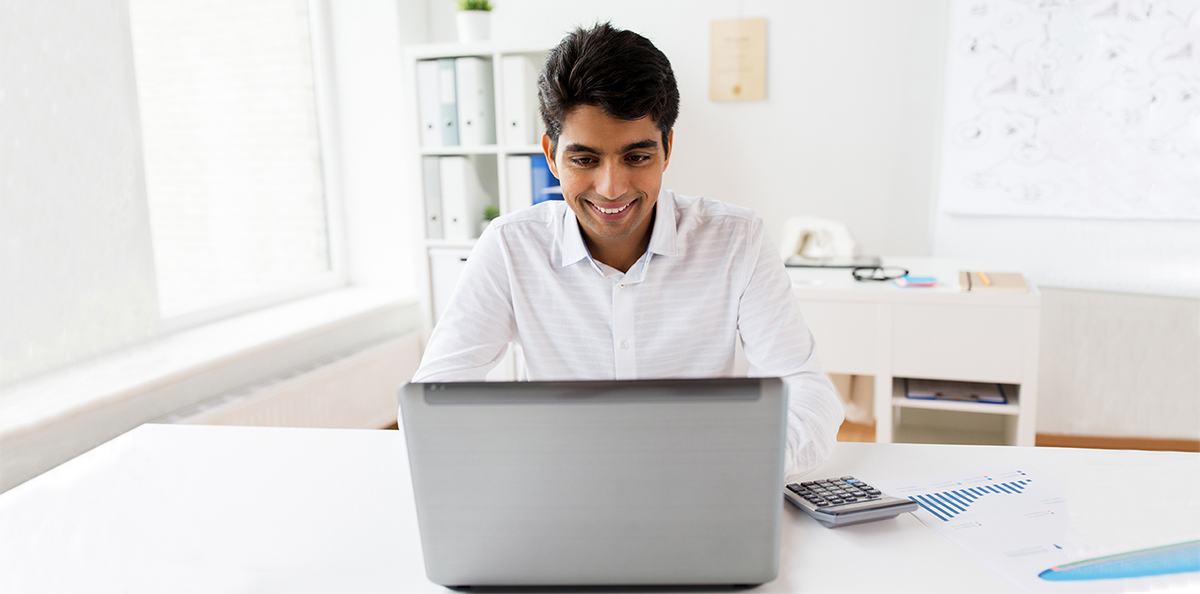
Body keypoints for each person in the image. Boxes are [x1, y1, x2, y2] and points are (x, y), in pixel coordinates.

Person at [411, 22, 843, 477]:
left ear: (667, 148)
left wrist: (733, 467)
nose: (611, 188)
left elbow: (807, 391)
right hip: (560, 491)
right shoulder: (509, 247)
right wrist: (516, 465)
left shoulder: (738, 240)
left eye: (637, 157)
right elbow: (433, 401)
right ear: (551, 155)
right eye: (584, 160)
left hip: (702, 485)